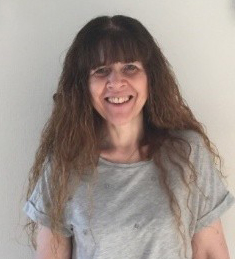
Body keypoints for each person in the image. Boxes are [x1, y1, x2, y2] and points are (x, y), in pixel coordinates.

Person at [23, 15, 235, 259]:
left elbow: (211, 252)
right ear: (84, 85)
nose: (116, 82)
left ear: (149, 78)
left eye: (130, 68)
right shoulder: (64, 164)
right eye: (102, 71)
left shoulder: (188, 153)